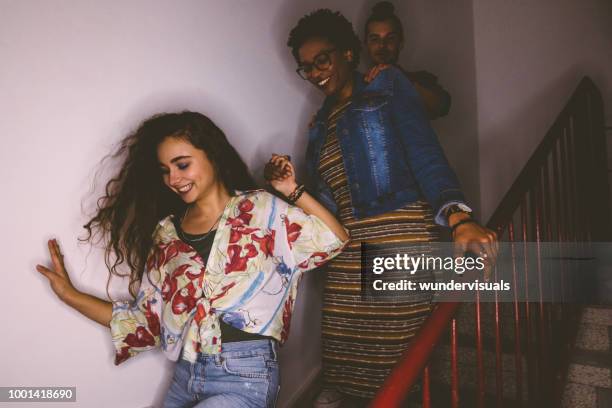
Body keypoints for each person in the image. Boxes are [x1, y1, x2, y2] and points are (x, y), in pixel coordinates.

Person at [35, 111, 348, 408]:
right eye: (164, 170)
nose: (173, 178)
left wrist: (291, 190)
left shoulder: (261, 210)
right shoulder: (166, 235)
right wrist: (70, 295)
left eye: (182, 165)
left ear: (212, 154)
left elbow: (334, 239)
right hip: (185, 377)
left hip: (245, 376)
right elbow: (146, 323)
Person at [284, 9, 497, 406]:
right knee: (343, 351)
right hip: (348, 249)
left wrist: (458, 216)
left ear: (349, 53)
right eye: (306, 67)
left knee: (401, 355)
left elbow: (423, 152)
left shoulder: (386, 85)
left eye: (322, 60)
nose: (314, 73)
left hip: (400, 234)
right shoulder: (320, 123)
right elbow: (327, 198)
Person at [364, 1, 452, 120]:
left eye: (390, 38)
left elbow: (443, 106)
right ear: (366, 44)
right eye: (374, 39)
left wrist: (402, 79)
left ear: (401, 43)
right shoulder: (356, 84)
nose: (382, 45)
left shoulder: (419, 79)